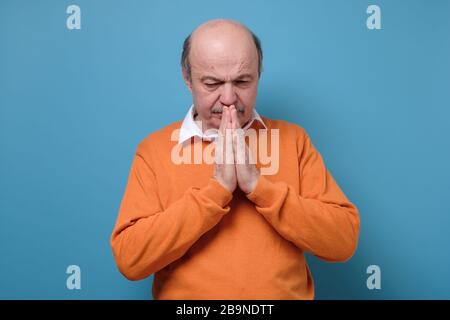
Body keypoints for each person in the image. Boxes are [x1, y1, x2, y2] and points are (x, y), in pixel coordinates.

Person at [110, 19, 360, 299]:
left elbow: (343, 242)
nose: (229, 98)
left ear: (258, 75)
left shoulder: (293, 139)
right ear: (187, 78)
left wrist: (259, 187)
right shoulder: (154, 150)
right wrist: (216, 191)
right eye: (212, 83)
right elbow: (130, 260)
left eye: (242, 81)